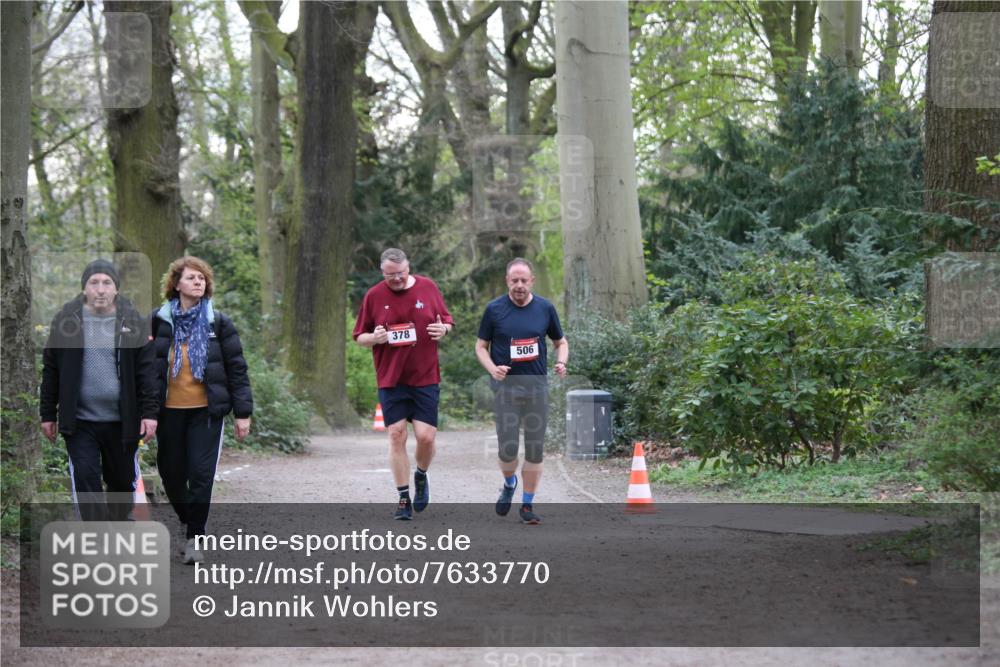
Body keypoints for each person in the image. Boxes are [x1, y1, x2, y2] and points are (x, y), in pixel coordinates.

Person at [151, 257, 252, 564]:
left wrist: (242, 412)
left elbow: (236, 369)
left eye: (202, 279)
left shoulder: (218, 322)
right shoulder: (156, 321)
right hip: (167, 411)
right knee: (171, 474)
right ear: (176, 284)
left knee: (201, 474)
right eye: (191, 278)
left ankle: (195, 536)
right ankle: (186, 518)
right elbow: (143, 368)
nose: (198, 282)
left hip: (206, 411)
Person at [40, 259, 159, 521]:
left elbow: (147, 372)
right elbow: (51, 369)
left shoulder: (133, 322)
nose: (101, 289)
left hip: (122, 421)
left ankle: (118, 522)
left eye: (107, 283)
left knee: (121, 481)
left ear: (116, 289)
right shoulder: (65, 321)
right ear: (85, 288)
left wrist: (150, 413)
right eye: (94, 283)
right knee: (85, 478)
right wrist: (47, 414)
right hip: (80, 421)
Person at [353, 248, 454, 520]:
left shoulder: (428, 287)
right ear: (382, 273)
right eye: (390, 275)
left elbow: (446, 321)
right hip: (391, 378)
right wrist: (374, 338)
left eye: (400, 274)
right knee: (396, 435)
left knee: (426, 437)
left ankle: (420, 475)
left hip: (424, 377)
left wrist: (442, 329)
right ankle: (402, 498)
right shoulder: (374, 296)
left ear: (409, 268)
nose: (396, 279)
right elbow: (359, 336)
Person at [475, 258, 568, 525]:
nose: (519, 285)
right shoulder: (494, 310)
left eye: (523, 280)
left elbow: (561, 342)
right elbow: (481, 346)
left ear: (532, 282)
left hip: (537, 389)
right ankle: (509, 482)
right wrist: (493, 368)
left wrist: (561, 362)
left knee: (535, 449)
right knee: (508, 449)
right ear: (507, 281)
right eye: (514, 280)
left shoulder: (545, 308)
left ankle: (527, 505)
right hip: (506, 390)